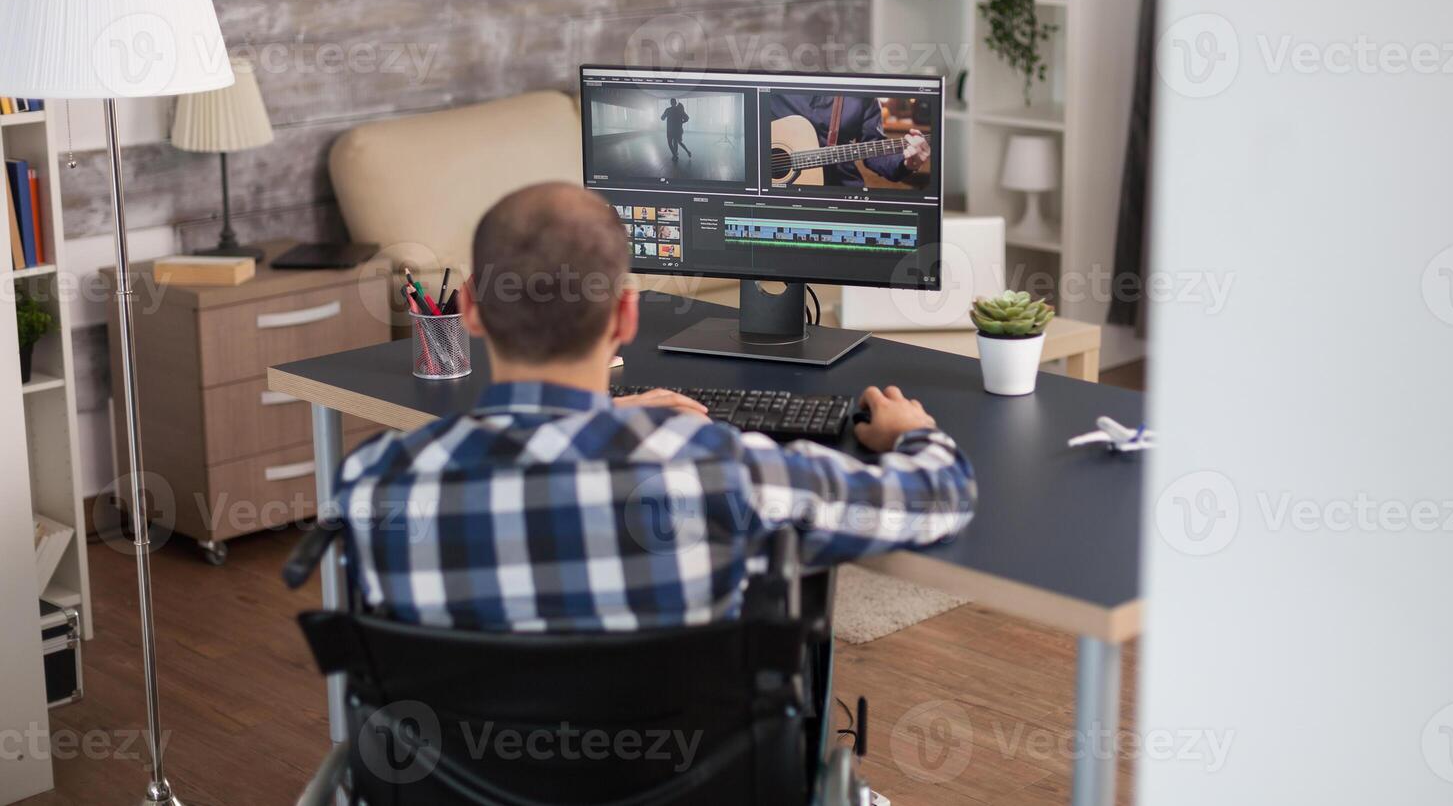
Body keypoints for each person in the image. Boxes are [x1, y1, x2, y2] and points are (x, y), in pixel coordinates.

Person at [331, 182, 975, 631]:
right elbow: (938, 499)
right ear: (626, 315)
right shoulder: (721, 472)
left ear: (469, 308)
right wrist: (913, 434)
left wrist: (607, 417)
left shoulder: (374, 485)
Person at [767, 92, 930, 187]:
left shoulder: (860, 93)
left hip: (840, 189)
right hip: (776, 196)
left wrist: (906, 162)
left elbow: (873, 149)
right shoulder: (774, 82)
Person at [660, 97, 694, 162]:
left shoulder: (668, 110)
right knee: (677, 142)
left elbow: (662, 118)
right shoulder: (679, 110)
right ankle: (685, 152)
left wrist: (664, 116)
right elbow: (687, 118)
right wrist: (682, 122)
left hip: (670, 130)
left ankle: (675, 155)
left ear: (671, 103)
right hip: (678, 130)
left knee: (670, 143)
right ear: (675, 102)